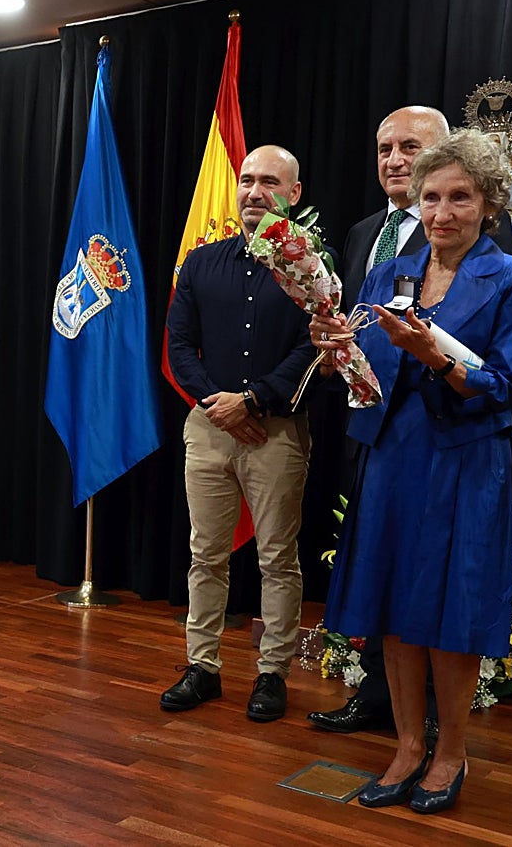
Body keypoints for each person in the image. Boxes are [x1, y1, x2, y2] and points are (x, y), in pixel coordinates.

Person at [311, 129, 512, 813]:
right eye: (432, 197)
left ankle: (451, 753)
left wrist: (434, 354)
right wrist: (336, 355)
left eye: (460, 198)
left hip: (465, 461)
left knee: (449, 612)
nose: (443, 212)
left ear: (488, 204)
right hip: (392, 454)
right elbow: (369, 370)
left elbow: (502, 385)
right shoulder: (388, 273)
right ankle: (408, 744)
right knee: (393, 607)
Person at [162, 146, 315, 722]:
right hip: (208, 430)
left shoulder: (310, 268)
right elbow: (179, 346)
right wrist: (218, 403)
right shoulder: (201, 264)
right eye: (246, 180)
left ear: (293, 194)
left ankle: (272, 673)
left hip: (277, 432)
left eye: (269, 182)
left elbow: (311, 349)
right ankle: (202, 668)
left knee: (278, 557)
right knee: (206, 554)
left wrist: (253, 399)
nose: (254, 192)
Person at [311, 105, 451, 735]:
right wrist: (332, 336)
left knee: (423, 567)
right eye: (384, 149)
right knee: (374, 561)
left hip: (435, 427)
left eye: (409, 147)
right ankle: (376, 695)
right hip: (367, 423)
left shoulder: (467, 229)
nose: (394, 160)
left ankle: (429, 713)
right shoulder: (365, 229)